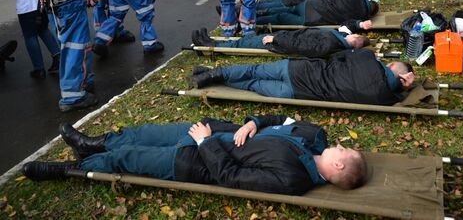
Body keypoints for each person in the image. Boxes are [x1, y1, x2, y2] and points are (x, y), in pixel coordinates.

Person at [23, 115, 368, 195]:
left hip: (196, 160)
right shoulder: (312, 139)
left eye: (342, 148)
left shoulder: (293, 179)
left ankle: (70, 168)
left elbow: (232, 178)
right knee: (142, 133)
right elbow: (277, 119)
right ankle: (92, 142)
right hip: (209, 132)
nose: (338, 142)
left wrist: (205, 144)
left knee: (128, 158)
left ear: (337, 164)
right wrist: (252, 122)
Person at [189, 49, 415, 106]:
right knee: (252, 84)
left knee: (253, 70)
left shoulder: (366, 57)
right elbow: (395, 97)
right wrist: (401, 87)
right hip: (299, 93)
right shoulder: (384, 96)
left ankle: (209, 74)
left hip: (299, 70)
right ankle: (208, 76)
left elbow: (337, 57)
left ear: (391, 64)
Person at [191, 18, 372, 58]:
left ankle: (208, 47)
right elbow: (347, 24)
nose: (353, 33)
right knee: (246, 40)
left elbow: (300, 45)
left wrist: (275, 40)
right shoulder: (340, 36)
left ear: (354, 42)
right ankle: (211, 43)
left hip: (281, 43)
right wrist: (360, 24)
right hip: (284, 36)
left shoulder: (332, 43)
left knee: (247, 43)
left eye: (355, 35)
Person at [256, 0, 379, 27]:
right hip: (314, 19)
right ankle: (256, 21)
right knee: (281, 18)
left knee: (287, 9)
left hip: (312, 5)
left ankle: (262, 11)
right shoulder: (360, 17)